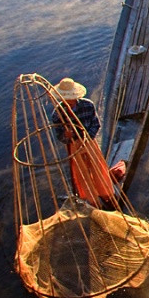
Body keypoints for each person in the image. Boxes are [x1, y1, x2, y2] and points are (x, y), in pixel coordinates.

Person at [51, 77, 116, 209]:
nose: (68, 101)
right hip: (73, 145)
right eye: (65, 98)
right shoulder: (58, 114)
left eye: (70, 97)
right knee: (81, 173)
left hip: (89, 141)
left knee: (98, 169)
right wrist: (66, 136)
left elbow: (95, 124)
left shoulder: (88, 105)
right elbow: (59, 136)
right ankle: (92, 200)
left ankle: (106, 194)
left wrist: (87, 137)